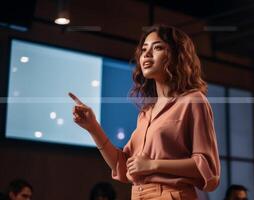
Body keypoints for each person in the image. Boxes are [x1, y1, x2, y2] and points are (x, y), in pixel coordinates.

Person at [69, 24, 220, 200]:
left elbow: (208, 168)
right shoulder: (146, 113)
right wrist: (92, 127)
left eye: (158, 48)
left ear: (177, 55)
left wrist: (153, 165)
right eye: (144, 49)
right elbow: (123, 166)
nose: (146, 54)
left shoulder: (193, 100)